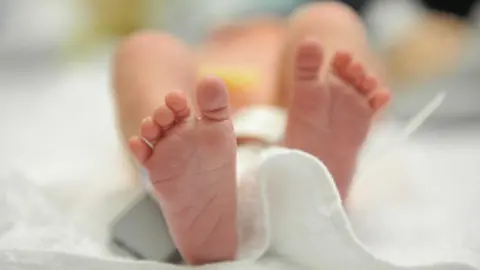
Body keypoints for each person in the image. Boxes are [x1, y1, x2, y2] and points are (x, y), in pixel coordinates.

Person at [112, 2, 390, 266]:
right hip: (206, 129)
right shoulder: (199, 47)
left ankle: (316, 156)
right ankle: (183, 163)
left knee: (328, 19)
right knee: (148, 47)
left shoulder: (290, 32)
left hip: (285, 114)